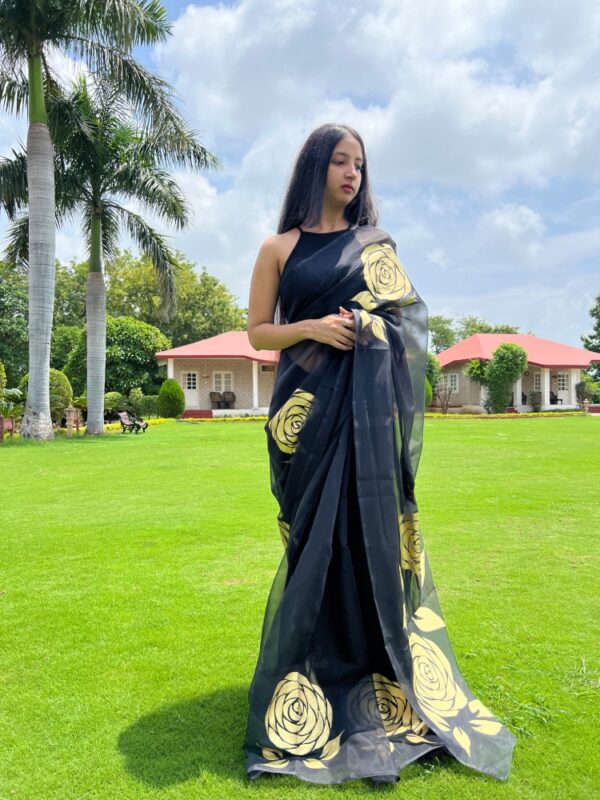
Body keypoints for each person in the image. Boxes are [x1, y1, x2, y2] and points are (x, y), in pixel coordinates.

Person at [242, 123, 516, 786]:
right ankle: (311, 677)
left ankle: (374, 680)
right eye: (339, 161)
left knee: (368, 546)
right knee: (313, 548)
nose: (351, 173)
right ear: (314, 169)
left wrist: (365, 328)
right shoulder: (277, 249)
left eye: (359, 164)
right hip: (303, 422)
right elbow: (257, 332)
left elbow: (407, 324)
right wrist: (313, 326)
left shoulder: (375, 245)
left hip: (365, 426)